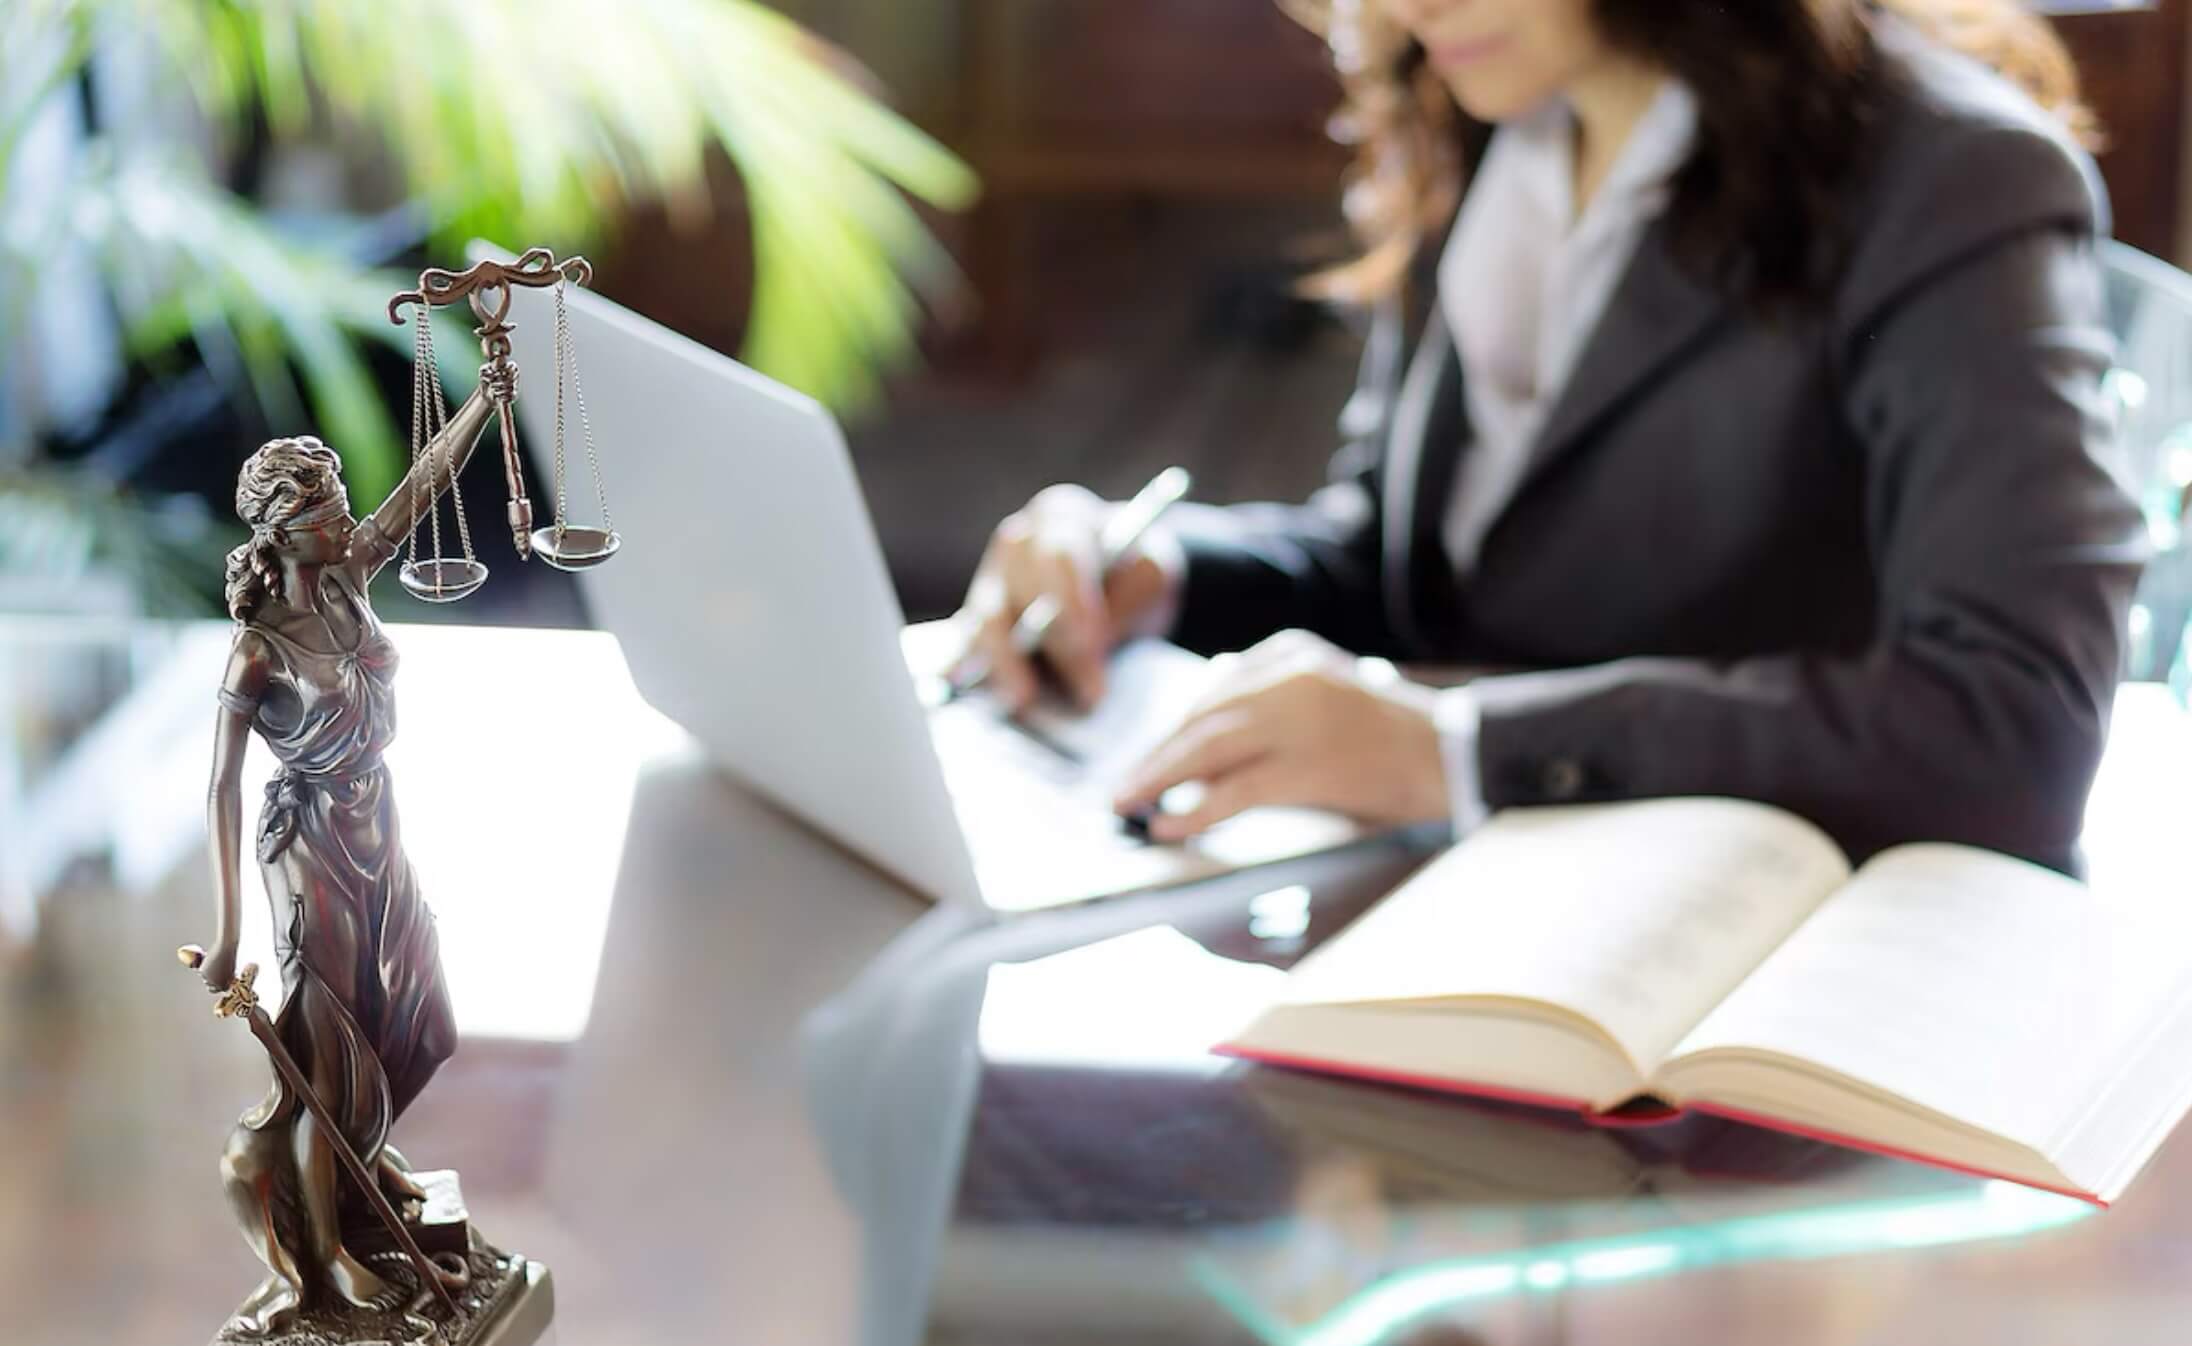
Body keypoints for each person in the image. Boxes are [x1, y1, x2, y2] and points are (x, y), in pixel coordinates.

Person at [951, 0, 2145, 874]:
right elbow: (1413, 569)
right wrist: (1160, 570)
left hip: (1750, 970)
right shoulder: (1496, 112)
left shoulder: (1951, 177)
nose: (1405, 8)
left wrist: (1454, 749)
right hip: (1472, 897)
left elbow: (2015, 727)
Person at [199, 432, 475, 1331]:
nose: (348, 517)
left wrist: (488, 394)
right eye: (326, 510)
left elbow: (422, 485)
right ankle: (329, 1256)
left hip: (377, 821)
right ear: (283, 530)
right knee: (329, 1059)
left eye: (343, 499)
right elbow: (220, 786)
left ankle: (365, 1158)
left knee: (424, 1025)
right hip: (310, 843)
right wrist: (230, 931)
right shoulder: (256, 650)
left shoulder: (349, 575)